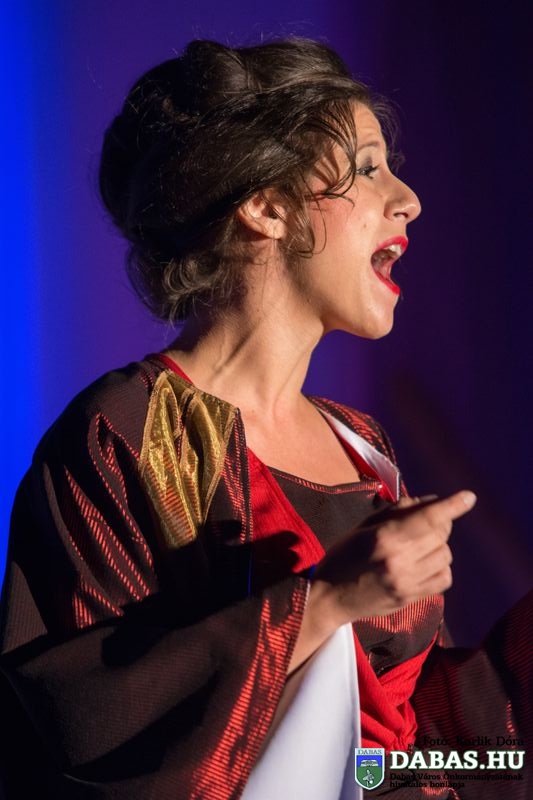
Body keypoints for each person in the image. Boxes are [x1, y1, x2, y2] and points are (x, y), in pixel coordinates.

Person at [0, 38, 530, 800]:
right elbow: (81, 721)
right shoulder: (125, 434)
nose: (408, 198)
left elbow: (406, 742)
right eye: (369, 168)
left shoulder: (362, 446)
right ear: (266, 206)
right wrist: (321, 604)